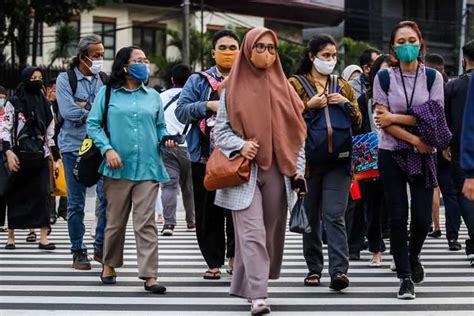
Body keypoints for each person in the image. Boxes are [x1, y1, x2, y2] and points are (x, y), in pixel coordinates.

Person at [214, 26, 306, 315]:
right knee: (252, 233)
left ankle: (244, 283)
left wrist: (298, 172)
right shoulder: (231, 87)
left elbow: (297, 136)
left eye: (271, 48)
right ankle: (259, 296)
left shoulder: (286, 89)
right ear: (248, 49)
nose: (266, 53)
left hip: (278, 171)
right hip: (244, 172)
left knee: (268, 235)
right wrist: (240, 146)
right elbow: (220, 131)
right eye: (260, 47)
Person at [87, 46, 175, 293]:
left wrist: (164, 138)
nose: (144, 64)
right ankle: (109, 264)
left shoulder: (153, 96)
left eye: (146, 60)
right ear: (124, 66)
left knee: (145, 222)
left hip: (148, 166)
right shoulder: (107, 94)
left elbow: (159, 126)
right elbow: (93, 125)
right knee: (115, 222)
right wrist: (107, 149)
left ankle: (150, 275)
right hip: (117, 168)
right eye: (139, 60)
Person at [373, 21, 447, 299]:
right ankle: (405, 277)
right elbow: (382, 120)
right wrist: (415, 138)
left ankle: (413, 255)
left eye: (411, 40)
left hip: (425, 156)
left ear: (421, 43)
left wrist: (395, 116)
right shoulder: (384, 78)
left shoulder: (432, 77)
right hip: (392, 152)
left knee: (421, 219)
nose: (407, 46)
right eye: (401, 42)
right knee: (397, 215)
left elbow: (434, 116)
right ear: (392, 47)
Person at [289, 34, 362, 290]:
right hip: (307, 162)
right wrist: (308, 105)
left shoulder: (343, 86)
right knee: (310, 216)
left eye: (333, 56)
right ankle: (314, 269)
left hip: (340, 162)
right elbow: (285, 117)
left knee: (334, 215)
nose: (330, 60)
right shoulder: (295, 84)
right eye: (325, 56)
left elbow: (358, 121)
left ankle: (339, 272)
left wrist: (347, 104)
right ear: (312, 56)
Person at [175, 29, 240, 279]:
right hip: (204, 157)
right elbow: (181, 111)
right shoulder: (197, 81)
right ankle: (213, 263)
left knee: (237, 212)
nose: (227, 53)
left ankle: (235, 259)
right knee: (207, 213)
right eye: (222, 48)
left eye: (232, 48)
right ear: (213, 52)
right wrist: (208, 105)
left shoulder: (249, 77)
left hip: (238, 156)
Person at [56, 34, 108, 269]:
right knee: (76, 203)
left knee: (105, 198)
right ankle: (78, 251)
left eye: (102, 55)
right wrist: (94, 110)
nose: (100, 60)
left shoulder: (104, 79)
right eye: (96, 56)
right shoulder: (65, 79)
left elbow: (110, 110)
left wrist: (85, 108)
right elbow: (67, 112)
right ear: (82, 57)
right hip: (73, 147)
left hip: (100, 146)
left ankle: (100, 245)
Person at [1, 67, 60, 250]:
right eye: (33, 78)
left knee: (42, 195)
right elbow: (6, 128)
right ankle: (11, 237)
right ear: (25, 79)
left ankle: (43, 237)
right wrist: (8, 152)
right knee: (16, 194)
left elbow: (50, 133)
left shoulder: (45, 104)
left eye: (40, 78)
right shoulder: (14, 102)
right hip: (18, 156)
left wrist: (55, 159)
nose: (37, 81)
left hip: (40, 156)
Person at [350, 54, 391, 267]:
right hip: (370, 159)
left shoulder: (402, 98)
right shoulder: (364, 99)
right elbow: (357, 129)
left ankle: (401, 250)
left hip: (397, 156)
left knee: (397, 206)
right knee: (372, 207)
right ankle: (376, 250)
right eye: (382, 72)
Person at [424, 53, 458, 241]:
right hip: (448, 145)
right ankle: (452, 235)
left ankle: (434, 225)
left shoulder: (425, 87)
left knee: (432, 186)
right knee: (450, 190)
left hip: (429, 144)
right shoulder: (450, 87)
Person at [160, 64, 195, 236]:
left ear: (172, 80)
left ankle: (169, 224)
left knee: (168, 186)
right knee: (190, 187)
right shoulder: (195, 98)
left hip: (168, 146)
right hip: (190, 147)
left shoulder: (162, 97)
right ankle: (192, 221)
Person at [453, 41, 474, 266]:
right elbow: (469, 123)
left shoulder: (456, 85)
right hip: (464, 154)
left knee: (464, 200)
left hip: (459, 151)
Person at [46, 79, 68, 225]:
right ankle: (51, 212)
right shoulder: (46, 105)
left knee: (66, 180)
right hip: (50, 146)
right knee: (52, 180)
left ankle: (64, 210)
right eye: (54, 89)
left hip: (64, 145)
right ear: (48, 90)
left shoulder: (63, 105)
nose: (56, 92)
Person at [0, 85, 8, 233]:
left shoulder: (8, 113)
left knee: (2, 190)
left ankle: (1, 222)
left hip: (5, 153)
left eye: (1, 97)